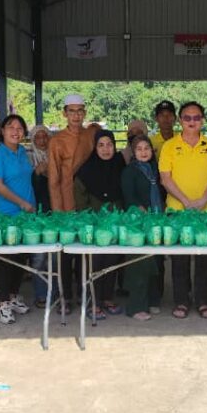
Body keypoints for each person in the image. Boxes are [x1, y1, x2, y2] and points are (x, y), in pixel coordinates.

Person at [158, 101, 207, 319]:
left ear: (203, 120)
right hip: (177, 209)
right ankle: (181, 301)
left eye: (196, 118)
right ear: (180, 120)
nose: (192, 121)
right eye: (187, 117)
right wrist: (185, 201)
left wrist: (203, 200)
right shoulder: (169, 146)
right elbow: (165, 178)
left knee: (204, 258)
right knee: (180, 258)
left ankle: (202, 300)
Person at [47, 94, 101, 312]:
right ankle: (64, 297)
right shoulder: (57, 141)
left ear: (84, 113)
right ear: (65, 113)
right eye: (72, 111)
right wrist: (58, 211)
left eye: (80, 111)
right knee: (64, 253)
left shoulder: (91, 135)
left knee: (85, 251)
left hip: (87, 200)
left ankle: (84, 295)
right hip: (66, 199)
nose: (76, 115)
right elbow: (53, 179)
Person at [0, 114, 35, 324]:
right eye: (10, 127)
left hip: (26, 216)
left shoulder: (22, 151)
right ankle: (3, 303)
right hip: (5, 215)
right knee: (5, 260)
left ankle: (13, 296)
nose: (15, 131)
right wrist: (21, 203)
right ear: (2, 131)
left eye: (19, 128)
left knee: (20, 258)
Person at [74, 130, 127, 317]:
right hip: (93, 226)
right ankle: (92, 301)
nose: (106, 149)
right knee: (93, 263)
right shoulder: (86, 171)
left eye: (109, 145)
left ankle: (107, 298)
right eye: (101, 145)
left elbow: (125, 195)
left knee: (111, 261)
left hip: (114, 225)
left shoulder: (120, 166)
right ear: (95, 148)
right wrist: (91, 223)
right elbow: (80, 201)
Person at [121, 135, 164, 319]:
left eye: (146, 148)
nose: (143, 152)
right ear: (133, 151)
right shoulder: (129, 171)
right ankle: (136, 307)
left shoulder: (156, 169)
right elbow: (129, 196)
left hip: (156, 220)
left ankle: (153, 300)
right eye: (139, 149)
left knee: (156, 262)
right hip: (138, 223)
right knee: (139, 263)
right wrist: (141, 211)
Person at [27, 124, 53, 309]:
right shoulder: (27, 158)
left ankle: (58, 293)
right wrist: (37, 172)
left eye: (45, 137)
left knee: (56, 257)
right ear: (32, 140)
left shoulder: (56, 155)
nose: (42, 140)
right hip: (35, 212)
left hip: (55, 211)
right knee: (38, 256)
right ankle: (41, 294)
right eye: (38, 137)